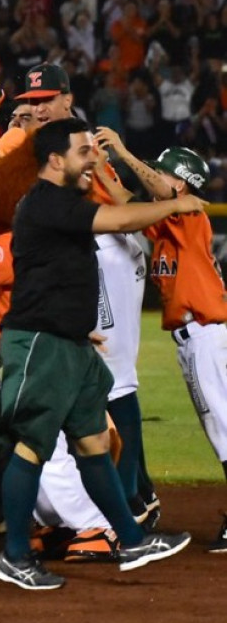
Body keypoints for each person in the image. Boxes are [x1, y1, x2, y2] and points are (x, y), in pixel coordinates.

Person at [0, 118, 196, 590]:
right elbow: (123, 218)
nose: (94, 159)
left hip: (72, 342)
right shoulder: (47, 202)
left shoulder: (63, 202)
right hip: (41, 342)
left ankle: (130, 539)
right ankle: (15, 556)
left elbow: (59, 272)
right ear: (56, 160)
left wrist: (80, 327)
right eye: (84, 152)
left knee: (92, 444)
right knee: (32, 447)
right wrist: (176, 203)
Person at [95, 133, 227, 553]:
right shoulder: (169, 220)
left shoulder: (189, 216)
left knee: (223, 428)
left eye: (164, 171)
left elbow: (159, 190)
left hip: (208, 335)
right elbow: (122, 202)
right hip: (194, 339)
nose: (155, 176)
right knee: (217, 427)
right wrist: (100, 162)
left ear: (182, 183)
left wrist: (125, 151)